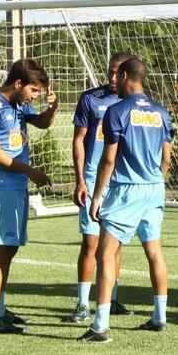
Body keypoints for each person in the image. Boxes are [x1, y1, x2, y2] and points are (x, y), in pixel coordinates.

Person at [80, 57, 175, 343]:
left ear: (124, 76)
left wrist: (97, 197)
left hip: (126, 190)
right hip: (154, 188)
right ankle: (159, 317)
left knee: (106, 255)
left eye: (115, 77)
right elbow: (167, 159)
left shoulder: (117, 111)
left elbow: (108, 160)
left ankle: (100, 326)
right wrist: (155, 180)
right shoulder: (160, 112)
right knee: (155, 252)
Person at [0, 59, 58, 334]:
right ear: (18, 84)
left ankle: (0, 308)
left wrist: (52, 108)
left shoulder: (19, 105)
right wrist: (31, 171)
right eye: (34, 90)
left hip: (16, 185)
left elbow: (42, 123)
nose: (35, 96)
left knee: (9, 249)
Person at [64, 52, 133, 324]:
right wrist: (80, 179)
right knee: (91, 243)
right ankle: (82, 304)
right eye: (110, 72)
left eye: (118, 73)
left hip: (120, 181)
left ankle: (112, 299)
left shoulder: (134, 103)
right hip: (93, 179)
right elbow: (79, 140)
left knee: (115, 244)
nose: (113, 78)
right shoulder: (90, 99)